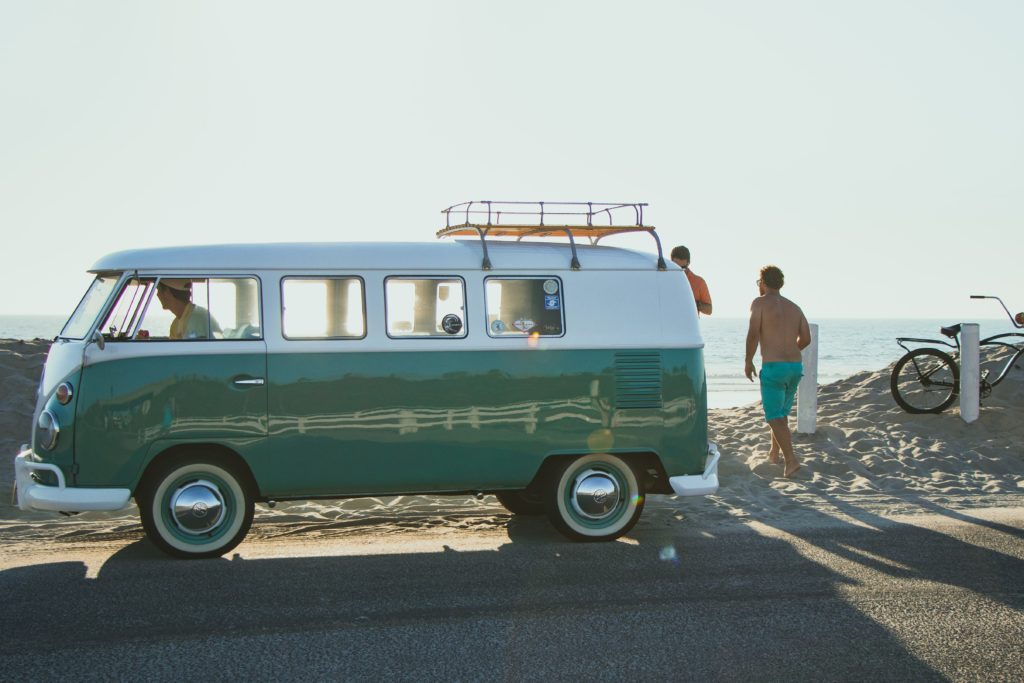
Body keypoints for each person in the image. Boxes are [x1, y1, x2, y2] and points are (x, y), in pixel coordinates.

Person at [744, 265, 811, 478]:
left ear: (763, 283)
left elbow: (753, 333)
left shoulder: (759, 303)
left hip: (774, 367)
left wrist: (748, 360)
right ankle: (774, 453)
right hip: (794, 367)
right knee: (781, 413)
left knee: (773, 417)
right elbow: (806, 339)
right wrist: (791, 351)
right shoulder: (795, 307)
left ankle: (791, 460)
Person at [156, 279, 221, 340]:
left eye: (158, 290)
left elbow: (195, 350)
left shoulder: (196, 318)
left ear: (167, 293)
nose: (157, 295)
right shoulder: (176, 323)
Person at [670, 245, 712, 316]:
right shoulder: (664, 280)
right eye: (676, 268)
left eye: (682, 268)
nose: (680, 271)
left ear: (688, 263)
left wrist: (693, 304)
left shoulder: (699, 282)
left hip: (689, 326)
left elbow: (709, 310)